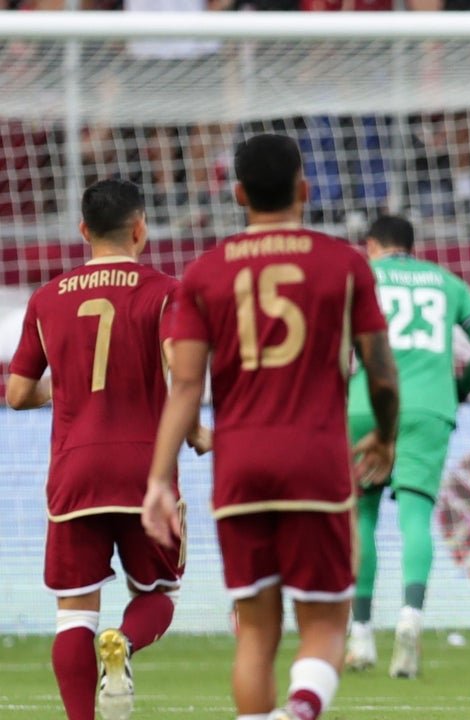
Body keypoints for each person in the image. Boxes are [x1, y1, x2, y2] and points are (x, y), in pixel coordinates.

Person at [140, 133, 400, 720]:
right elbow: (382, 375)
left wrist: (158, 479)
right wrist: (386, 435)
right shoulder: (344, 263)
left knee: (256, 631)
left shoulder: (205, 272)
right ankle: (301, 709)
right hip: (315, 462)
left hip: (239, 468)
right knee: (326, 621)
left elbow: (186, 386)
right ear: (304, 190)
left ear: (238, 193)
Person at [5, 178, 210, 720]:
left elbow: (17, 394)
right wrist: (195, 430)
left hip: (74, 471)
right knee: (160, 594)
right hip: (145, 468)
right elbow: (181, 365)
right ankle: (124, 640)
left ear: (82, 230)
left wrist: (63, 388)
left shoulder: (47, 298)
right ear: (140, 229)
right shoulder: (166, 291)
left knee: (73, 614)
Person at [344, 214, 470, 678]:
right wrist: (459, 389)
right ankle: (410, 618)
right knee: (415, 516)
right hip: (429, 407)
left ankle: (360, 635)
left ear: (371, 245)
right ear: (411, 246)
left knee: (362, 515)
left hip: (365, 404)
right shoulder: (444, 281)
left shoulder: (362, 276)